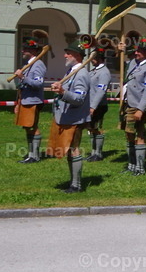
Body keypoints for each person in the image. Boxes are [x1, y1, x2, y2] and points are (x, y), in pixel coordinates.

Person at [48, 42, 90, 193]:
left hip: (75, 118)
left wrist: (62, 92)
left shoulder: (82, 73)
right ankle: (73, 182)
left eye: (68, 53)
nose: (65, 55)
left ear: (77, 56)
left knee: (74, 150)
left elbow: (79, 98)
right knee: (69, 150)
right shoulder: (71, 71)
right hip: (66, 117)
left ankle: (77, 185)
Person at [120, 37, 146, 175]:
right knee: (128, 133)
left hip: (137, 105)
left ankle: (140, 167)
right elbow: (124, 63)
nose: (136, 53)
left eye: (140, 51)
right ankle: (131, 164)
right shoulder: (133, 63)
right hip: (127, 104)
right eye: (137, 50)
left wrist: (141, 109)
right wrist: (122, 50)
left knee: (139, 134)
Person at [13, 32, 47, 164]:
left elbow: (38, 84)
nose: (23, 50)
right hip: (26, 99)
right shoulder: (29, 64)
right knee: (27, 127)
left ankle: (35, 156)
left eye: (26, 49)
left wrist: (23, 77)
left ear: (33, 50)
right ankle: (31, 154)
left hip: (33, 100)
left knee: (32, 127)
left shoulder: (38, 65)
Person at [84, 45, 111, 162]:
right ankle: (93, 151)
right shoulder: (93, 71)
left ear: (99, 58)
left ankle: (98, 153)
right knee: (91, 128)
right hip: (90, 104)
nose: (91, 61)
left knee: (97, 128)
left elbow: (101, 90)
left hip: (98, 105)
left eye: (93, 58)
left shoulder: (104, 72)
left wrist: (93, 106)